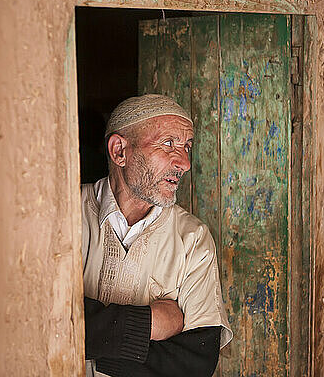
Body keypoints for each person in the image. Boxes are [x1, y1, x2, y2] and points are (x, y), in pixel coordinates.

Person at [82, 94, 233, 377]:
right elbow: (37, 313)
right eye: (168, 143)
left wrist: (94, 352)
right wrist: (150, 324)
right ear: (119, 151)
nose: (185, 163)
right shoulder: (62, 215)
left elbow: (194, 361)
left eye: (187, 146)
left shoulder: (192, 238)